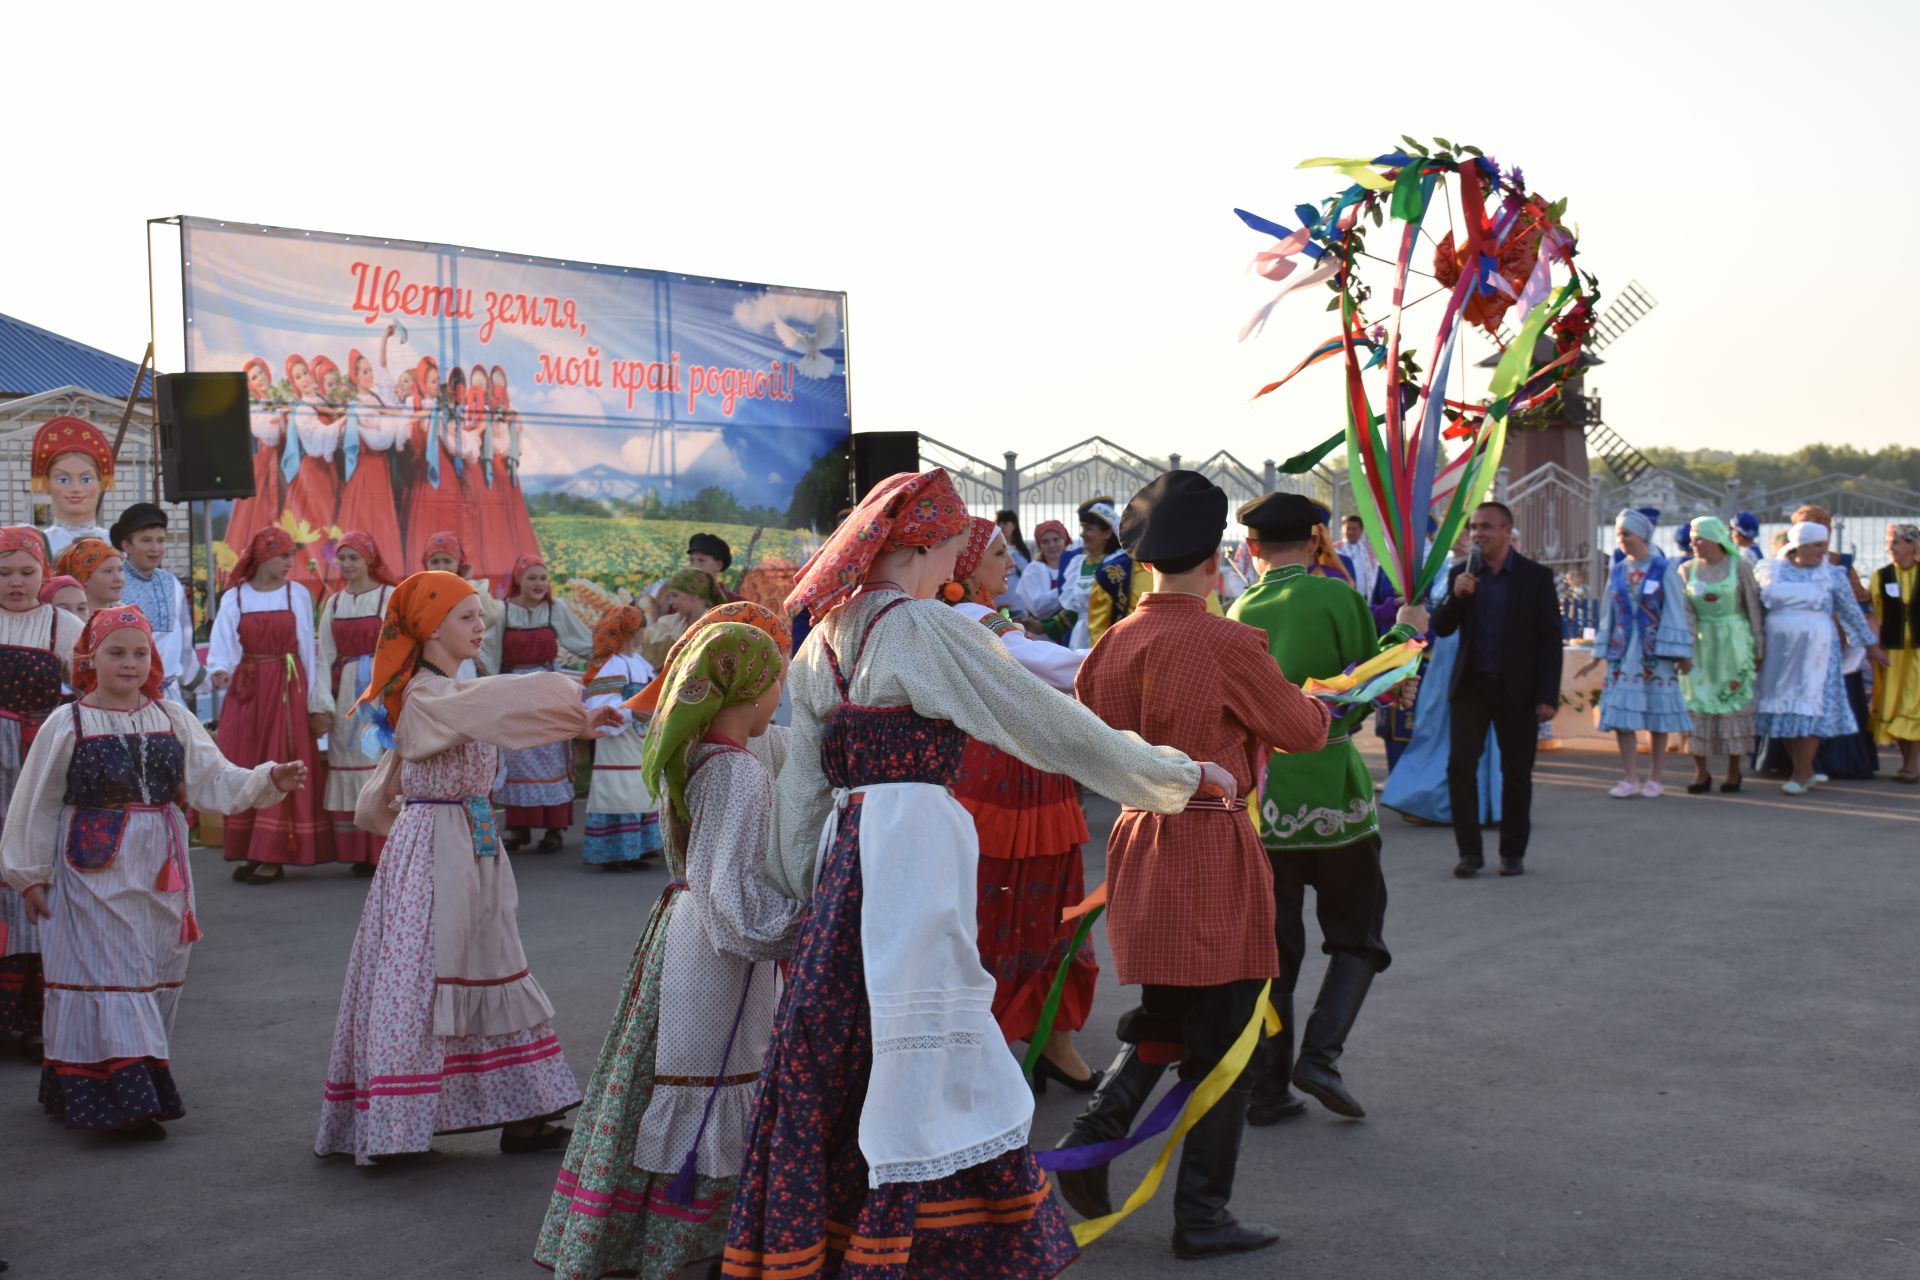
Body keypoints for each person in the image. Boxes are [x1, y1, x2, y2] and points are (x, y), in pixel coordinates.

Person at [727, 468, 1225, 1278]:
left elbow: (802, 786)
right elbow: (1051, 725)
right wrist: (1177, 775)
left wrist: (800, 889)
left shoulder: (825, 637)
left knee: (851, 1030)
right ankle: (932, 1245)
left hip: (847, 854)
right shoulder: (925, 627)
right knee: (927, 1033)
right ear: (923, 543)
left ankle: (829, 1235)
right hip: (911, 849)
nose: (964, 552)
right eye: (958, 538)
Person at [1055, 471, 1329, 1260]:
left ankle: (1090, 1140)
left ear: (1142, 560)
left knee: (1166, 1019)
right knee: (1226, 1038)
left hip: (1141, 844)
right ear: (1218, 564)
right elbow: (1301, 731)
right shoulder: (1227, 641)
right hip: (1210, 846)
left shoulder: (1112, 643)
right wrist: (1319, 704)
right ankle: (1201, 1216)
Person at [314, 571, 622, 1165]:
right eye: (466, 616)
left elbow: (494, 712)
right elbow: (495, 705)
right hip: (436, 846)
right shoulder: (429, 696)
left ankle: (525, 1115)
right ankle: (397, 1126)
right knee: (425, 976)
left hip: (472, 839)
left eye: (481, 615)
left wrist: (579, 719)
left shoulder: (451, 690)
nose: (481, 626)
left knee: (494, 965)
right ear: (430, 626)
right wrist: (577, 704)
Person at [536, 623, 802, 1279]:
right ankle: (695, 1247)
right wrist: (809, 924)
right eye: (777, 681)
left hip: (676, 931)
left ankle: (635, 1237)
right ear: (750, 687)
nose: (781, 695)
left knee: (661, 1078)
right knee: (716, 1080)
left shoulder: (695, 755)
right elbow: (731, 900)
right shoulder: (738, 771)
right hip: (714, 953)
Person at [0, 606, 305, 1139]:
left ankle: (84, 1079)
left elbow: (214, 779)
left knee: (151, 973)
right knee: (112, 974)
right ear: (90, 658)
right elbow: (36, 803)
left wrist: (268, 777)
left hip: (162, 868)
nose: (130, 663)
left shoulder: (172, 716)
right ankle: (126, 1100)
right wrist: (29, 875)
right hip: (93, 869)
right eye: (116, 652)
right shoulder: (67, 721)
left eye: (139, 652)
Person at [1227, 492, 1425, 1125]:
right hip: (1335, 790)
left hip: (1268, 799)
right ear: (1316, 541)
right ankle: (1321, 1056)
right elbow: (1365, 686)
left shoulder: (1239, 609)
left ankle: (1268, 1087)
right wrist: (1408, 636)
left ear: (1251, 548)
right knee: (1359, 936)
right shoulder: (1338, 596)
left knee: (1276, 951)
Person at [942, 518, 1102, 1088]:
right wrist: (1128, 656)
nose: (1009, 564)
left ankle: (1051, 1038)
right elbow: (1051, 667)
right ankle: (993, 1044)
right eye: (998, 554)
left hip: (1029, 776)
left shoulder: (987, 616)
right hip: (999, 783)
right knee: (1001, 913)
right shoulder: (967, 619)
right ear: (963, 565)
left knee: (1049, 906)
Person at [1430, 501, 1564, 876]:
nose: (1478, 534)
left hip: (1517, 690)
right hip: (1472, 687)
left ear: (1507, 531)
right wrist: (1456, 596)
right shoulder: (1463, 573)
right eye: (1473, 527)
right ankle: (1469, 853)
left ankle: (1512, 852)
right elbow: (1440, 627)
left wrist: (1547, 696)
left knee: (1517, 772)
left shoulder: (1535, 577)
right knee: (1461, 768)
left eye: (1487, 527)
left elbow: (1550, 640)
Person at [207, 527, 334, 882]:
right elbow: (223, 642)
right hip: (248, 690)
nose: (289, 563)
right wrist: (219, 669)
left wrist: (312, 702)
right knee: (243, 759)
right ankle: (251, 847)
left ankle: (274, 854)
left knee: (280, 760)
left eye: (291, 556)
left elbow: (307, 650)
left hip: (286, 687)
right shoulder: (237, 598)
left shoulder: (297, 595)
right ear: (263, 557)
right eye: (283, 556)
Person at [0, 528, 83, 1060]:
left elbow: (95, 688)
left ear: (43, 573)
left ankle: (34, 1018)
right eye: (4, 572)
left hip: (37, 762)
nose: (15, 582)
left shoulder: (63, 625)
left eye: (26, 571)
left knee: (32, 867)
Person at [1380, 537, 1502, 826]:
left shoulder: (1492, 571)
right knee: (1434, 729)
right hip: (1445, 660)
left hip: (1473, 656)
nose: (1464, 540)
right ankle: (1426, 799)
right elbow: (1438, 615)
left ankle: (1484, 803)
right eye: (1461, 533)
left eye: (1472, 533)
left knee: (1474, 732)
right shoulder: (1443, 568)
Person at [1578, 510, 1694, 798]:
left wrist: (1680, 651)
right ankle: (1630, 776)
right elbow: (1609, 611)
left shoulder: (1662, 568)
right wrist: (1598, 653)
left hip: (1655, 651)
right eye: (1618, 535)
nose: (1621, 540)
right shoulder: (1618, 571)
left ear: (1642, 536)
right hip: (1622, 651)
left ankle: (1656, 777)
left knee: (1657, 713)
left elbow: (1674, 610)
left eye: (1626, 534)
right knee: (1621, 715)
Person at [484, 555, 596, 853]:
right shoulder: (504, 612)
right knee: (517, 755)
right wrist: (487, 686)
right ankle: (519, 827)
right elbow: (490, 653)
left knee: (551, 754)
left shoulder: (554, 609)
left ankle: (553, 828)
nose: (538, 584)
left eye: (543, 578)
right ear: (518, 580)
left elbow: (582, 641)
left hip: (547, 687)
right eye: (532, 577)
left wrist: (609, 654)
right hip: (513, 689)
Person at [1754, 522, 1874, 794]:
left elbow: (1851, 612)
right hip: (1779, 650)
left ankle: (1802, 772)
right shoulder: (1771, 570)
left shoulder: (1832, 575)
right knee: (1782, 708)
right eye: (1818, 545)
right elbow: (1758, 610)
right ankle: (1802, 768)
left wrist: (1870, 645)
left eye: (1824, 544)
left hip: (1816, 649)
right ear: (1801, 546)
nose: (1824, 551)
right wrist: (1756, 645)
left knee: (1809, 705)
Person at [314, 532, 400, 872]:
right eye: (343, 558)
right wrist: (322, 703)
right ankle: (357, 853)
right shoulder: (334, 603)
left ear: (369, 560)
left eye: (354, 557)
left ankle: (383, 849)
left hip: (380, 687)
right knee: (349, 758)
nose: (348, 565)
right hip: (348, 688)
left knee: (378, 760)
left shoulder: (388, 596)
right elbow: (325, 656)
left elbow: (401, 646)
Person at [1679, 517, 1765, 794]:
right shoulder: (1686, 569)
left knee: (1732, 703)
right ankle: (1701, 772)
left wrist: (1758, 645)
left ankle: (1733, 771)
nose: (1694, 543)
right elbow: (1686, 612)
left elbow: (1752, 606)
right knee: (1698, 702)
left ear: (1716, 538)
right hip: (1702, 644)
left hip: (1732, 643)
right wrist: (1686, 648)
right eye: (1692, 539)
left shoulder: (1739, 567)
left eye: (1699, 538)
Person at [579, 605, 662, 870]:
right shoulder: (613, 664)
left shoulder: (638, 662)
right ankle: (614, 853)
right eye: (641, 629)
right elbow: (600, 702)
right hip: (617, 739)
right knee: (620, 791)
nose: (643, 634)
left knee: (636, 789)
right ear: (632, 631)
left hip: (636, 739)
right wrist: (630, 712)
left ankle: (635, 849)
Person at [111, 503, 203, 706]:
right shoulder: (115, 583)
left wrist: (201, 679)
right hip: (128, 696)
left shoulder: (172, 583)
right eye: (146, 540)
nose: (155, 548)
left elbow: (184, 638)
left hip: (170, 695)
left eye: (161, 541)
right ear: (126, 545)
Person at [1867, 522, 1920, 783]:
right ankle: (1907, 763)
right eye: (1889, 543)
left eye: (1896, 542)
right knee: (1897, 706)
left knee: (1915, 705)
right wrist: (1875, 648)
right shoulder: (1881, 576)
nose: (1891, 547)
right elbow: (1875, 615)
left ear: (1912, 545)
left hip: (1919, 654)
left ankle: (1911, 765)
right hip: (1894, 654)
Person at [228, 358, 289, 556]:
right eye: (254, 377)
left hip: (281, 464)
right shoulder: (254, 408)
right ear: (250, 384)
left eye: (261, 373)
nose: (260, 378)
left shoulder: (278, 400)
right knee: (258, 513)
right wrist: (281, 416)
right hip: (263, 466)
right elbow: (266, 430)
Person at [30, 416, 114, 560]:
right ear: (47, 484)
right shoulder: (38, 544)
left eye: (86, 479)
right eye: (63, 479)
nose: (75, 488)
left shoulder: (115, 542)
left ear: (101, 484)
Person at [1017, 518, 1073, 631]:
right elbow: (1037, 607)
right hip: (1044, 635)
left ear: (1064, 541)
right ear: (1039, 545)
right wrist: (1067, 589)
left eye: (1056, 539)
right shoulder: (1033, 570)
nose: (1051, 545)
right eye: (1045, 541)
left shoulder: (1074, 566)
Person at [56, 537, 124, 616]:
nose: (118, 578)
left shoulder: (128, 617)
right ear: (83, 578)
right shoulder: (65, 620)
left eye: (120, 570)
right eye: (108, 571)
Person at [1335, 512, 1381, 601]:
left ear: (1361, 530)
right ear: (1342, 530)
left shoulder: (1369, 550)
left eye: (1354, 529)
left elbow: (1375, 572)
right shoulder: (1335, 549)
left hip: (1366, 597)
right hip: (1345, 597)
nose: (1351, 532)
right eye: (1348, 529)